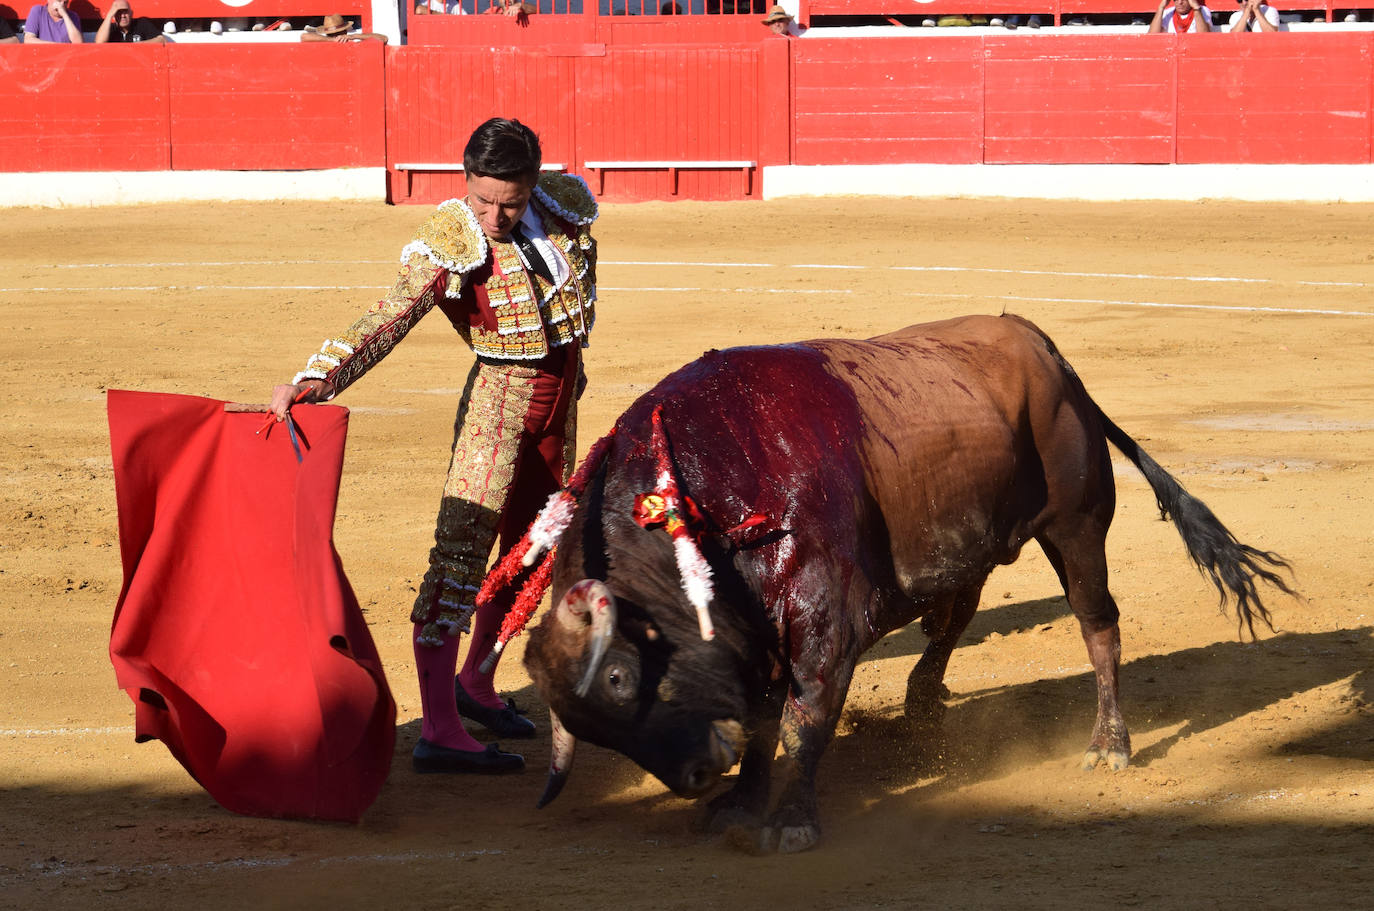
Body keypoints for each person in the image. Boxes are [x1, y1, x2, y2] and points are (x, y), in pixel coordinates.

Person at [269, 118, 598, 775]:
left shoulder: (564, 208)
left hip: (560, 412)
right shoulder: (451, 241)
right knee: (459, 555)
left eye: (508, 200)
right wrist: (320, 374)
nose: (494, 215)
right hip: (498, 412)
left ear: (533, 183)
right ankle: (440, 728)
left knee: (534, 551)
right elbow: (390, 315)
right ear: (465, 183)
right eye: (481, 199)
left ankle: (477, 682)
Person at [95, 1, 166, 43]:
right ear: (114, 15)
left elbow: (162, 40)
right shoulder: (110, 29)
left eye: (125, 12)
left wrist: (137, 45)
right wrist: (109, 15)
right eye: (119, 12)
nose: (123, 16)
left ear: (131, 14)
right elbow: (99, 43)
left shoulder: (141, 23)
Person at [301, 13, 388, 42]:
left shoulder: (349, 40)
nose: (337, 35)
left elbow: (384, 38)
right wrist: (332, 40)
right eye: (333, 34)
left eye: (338, 33)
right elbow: (303, 36)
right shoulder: (324, 40)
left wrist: (354, 36)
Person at [1149, 0, 1214, 31]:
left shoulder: (1202, 10)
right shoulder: (1167, 12)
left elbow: (1204, 37)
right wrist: (1161, 7)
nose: (1180, 2)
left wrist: (1196, 8)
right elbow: (1151, 37)